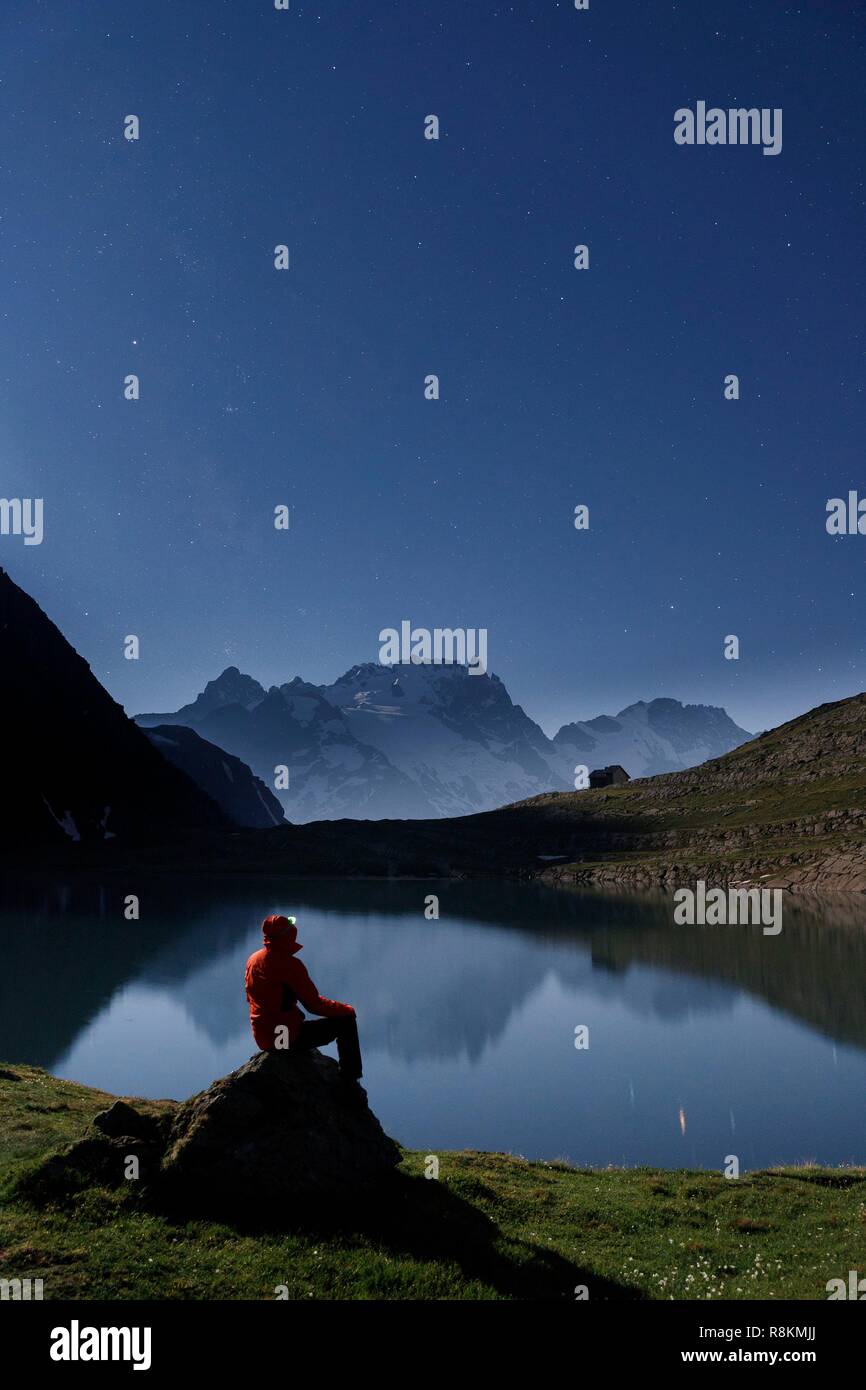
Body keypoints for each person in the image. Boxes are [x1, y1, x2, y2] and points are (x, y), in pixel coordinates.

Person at [244, 913, 362, 1080]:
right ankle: (349, 1083)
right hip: (281, 1037)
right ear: (287, 935)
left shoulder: (254, 960)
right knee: (346, 1022)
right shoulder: (289, 965)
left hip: (263, 1035)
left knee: (295, 1026)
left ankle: (282, 1049)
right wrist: (346, 1009)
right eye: (290, 927)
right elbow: (314, 1005)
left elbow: (251, 998)